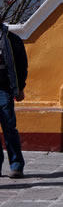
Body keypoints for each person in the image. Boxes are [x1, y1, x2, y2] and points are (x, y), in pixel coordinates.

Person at [0, 20, 27, 178]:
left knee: (9, 126)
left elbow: (21, 64)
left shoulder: (11, 39)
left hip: (4, 89)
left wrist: (20, 87)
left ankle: (16, 164)